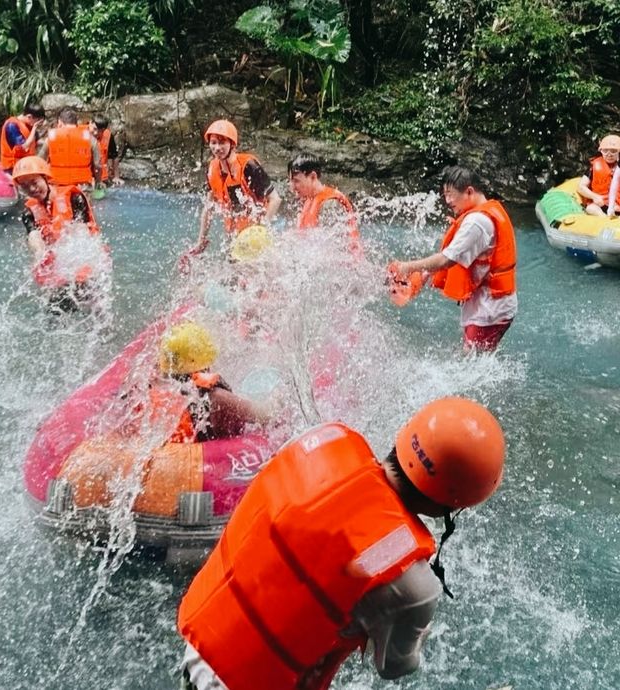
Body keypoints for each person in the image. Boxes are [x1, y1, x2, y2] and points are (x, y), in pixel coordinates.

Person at [176, 396, 506, 690]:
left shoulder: (325, 438)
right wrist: (418, 626)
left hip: (201, 643)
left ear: (403, 436)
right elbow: (395, 667)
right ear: (457, 505)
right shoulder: (415, 586)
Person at [390, 166, 517, 352]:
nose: (447, 200)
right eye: (445, 194)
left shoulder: (477, 222)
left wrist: (407, 267)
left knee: (471, 361)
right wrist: (422, 277)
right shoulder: (487, 211)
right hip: (494, 304)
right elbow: (453, 255)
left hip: (490, 309)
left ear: (469, 191)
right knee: (477, 358)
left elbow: (447, 260)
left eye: (450, 194)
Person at [179, 119, 281, 268]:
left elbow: (275, 199)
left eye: (222, 143)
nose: (217, 148)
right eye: (213, 143)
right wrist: (200, 242)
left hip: (255, 238)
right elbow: (208, 208)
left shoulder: (249, 166)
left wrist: (260, 230)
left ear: (232, 144)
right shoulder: (213, 169)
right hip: (234, 238)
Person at [11, 155, 104, 312]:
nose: (32, 189)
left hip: (84, 260)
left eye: (34, 182)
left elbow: (81, 233)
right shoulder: (28, 212)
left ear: (45, 177)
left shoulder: (74, 197)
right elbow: (34, 236)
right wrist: (40, 255)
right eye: (26, 187)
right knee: (54, 312)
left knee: (92, 304)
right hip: (59, 268)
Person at [154, 320, 270, 442]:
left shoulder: (161, 395)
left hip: (181, 455)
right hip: (218, 457)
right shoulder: (216, 398)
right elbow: (266, 415)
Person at [287, 152, 361, 254]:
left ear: (313, 177)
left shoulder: (330, 205)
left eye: (296, 181)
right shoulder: (309, 199)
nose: (292, 187)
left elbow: (338, 252)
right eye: (290, 181)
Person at [39, 107, 101, 187]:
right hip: (82, 186)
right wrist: (98, 182)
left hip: (57, 185)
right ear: (76, 123)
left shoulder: (51, 137)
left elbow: (40, 162)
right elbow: (98, 166)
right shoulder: (90, 138)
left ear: (60, 122)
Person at [577, 134, 620, 217]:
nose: (609, 154)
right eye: (605, 151)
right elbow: (581, 187)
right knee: (591, 208)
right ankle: (603, 219)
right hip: (600, 204)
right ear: (601, 151)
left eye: (613, 151)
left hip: (617, 206)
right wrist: (595, 196)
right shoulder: (594, 166)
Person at [0, 101, 45, 174]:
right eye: (37, 122)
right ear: (29, 117)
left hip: (26, 165)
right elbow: (24, 146)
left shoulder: (29, 125)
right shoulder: (12, 125)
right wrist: (35, 127)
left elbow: (35, 142)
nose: (38, 124)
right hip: (12, 168)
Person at [90, 114, 124, 187]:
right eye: (94, 129)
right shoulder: (81, 134)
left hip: (102, 177)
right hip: (86, 177)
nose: (96, 133)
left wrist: (116, 177)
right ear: (90, 123)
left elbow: (114, 156)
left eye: (100, 131)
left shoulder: (108, 135)